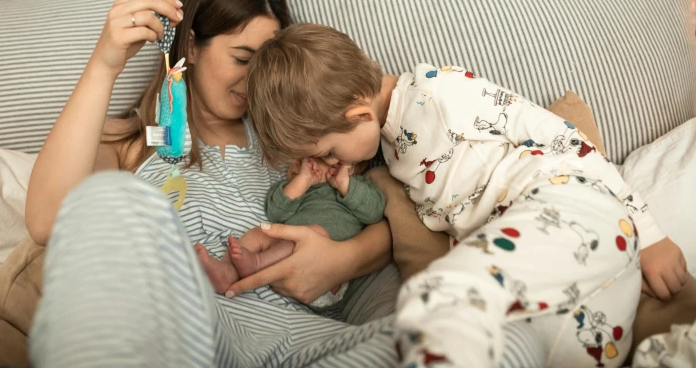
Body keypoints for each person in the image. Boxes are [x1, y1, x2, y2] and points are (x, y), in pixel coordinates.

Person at [23, 0, 404, 367]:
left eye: (267, 68)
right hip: (192, 339)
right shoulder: (132, 146)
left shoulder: (301, 146)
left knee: (430, 329)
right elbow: (49, 221)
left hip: (307, 345)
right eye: (243, 59)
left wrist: (342, 261)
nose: (254, 83)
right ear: (191, 47)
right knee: (108, 195)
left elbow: (385, 222)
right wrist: (104, 65)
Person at [245, 23, 689, 368]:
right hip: (573, 266)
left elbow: (560, 137)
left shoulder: (437, 92)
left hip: (562, 201)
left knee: (442, 296)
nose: (328, 163)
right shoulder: (386, 143)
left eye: (327, 151)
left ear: (360, 114)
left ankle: (441, 311)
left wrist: (647, 231)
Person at [195, 157, 385, 309]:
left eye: (321, 158)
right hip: (285, 258)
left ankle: (257, 263)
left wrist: (345, 184)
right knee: (261, 232)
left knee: (313, 232)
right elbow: (275, 212)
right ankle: (226, 271)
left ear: (350, 168)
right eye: (303, 160)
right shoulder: (302, 188)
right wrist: (302, 181)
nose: (304, 163)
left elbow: (374, 212)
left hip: (326, 277)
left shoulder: (359, 188)